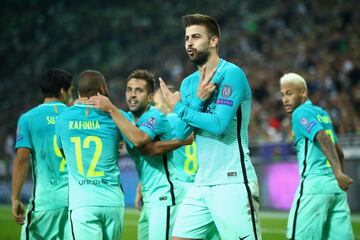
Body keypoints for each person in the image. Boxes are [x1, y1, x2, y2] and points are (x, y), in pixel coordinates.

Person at [159, 13, 261, 240]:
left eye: (195, 37)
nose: (189, 43)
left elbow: (219, 125)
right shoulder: (188, 84)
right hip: (202, 182)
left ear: (213, 41)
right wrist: (197, 100)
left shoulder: (231, 74)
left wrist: (180, 109)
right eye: (186, 38)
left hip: (232, 180)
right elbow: (180, 133)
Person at [89, 69, 193, 240]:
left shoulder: (155, 116)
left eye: (139, 90)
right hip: (149, 197)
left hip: (165, 195)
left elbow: (142, 143)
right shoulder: (127, 118)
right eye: (129, 90)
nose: (133, 95)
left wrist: (111, 109)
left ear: (150, 97)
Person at [279, 73, 354, 240]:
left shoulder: (300, 113)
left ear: (303, 92)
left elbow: (321, 136)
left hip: (315, 186)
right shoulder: (322, 113)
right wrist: (338, 176)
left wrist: (338, 173)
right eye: (282, 94)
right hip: (336, 190)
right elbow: (338, 149)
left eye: (289, 93)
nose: (285, 99)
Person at [55, 70, 126, 240]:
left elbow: (65, 152)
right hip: (112, 200)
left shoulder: (63, 118)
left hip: (83, 202)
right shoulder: (116, 116)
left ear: (78, 93)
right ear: (102, 88)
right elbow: (137, 140)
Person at [12, 69, 73, 239]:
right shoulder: (75, 116)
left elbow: (23, 158)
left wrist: (15, 197)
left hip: (47, 200)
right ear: (62, 91)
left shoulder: (28, 118)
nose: (71, 95)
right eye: (70, 90)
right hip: (77, 200)